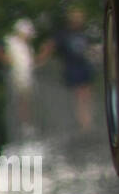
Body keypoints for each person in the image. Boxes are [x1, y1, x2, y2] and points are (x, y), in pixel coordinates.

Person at [38, 7, 98, 135]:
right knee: (79, 95)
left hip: (84, 67)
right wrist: (40, 60)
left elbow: (90, 48)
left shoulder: (83, 34)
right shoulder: (64, 34)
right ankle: (83, 123)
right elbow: (50, 46)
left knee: (87, 95)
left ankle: (88, 122)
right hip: (72, 68)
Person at [0, 18, 38, 138]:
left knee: (27, 101)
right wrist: (6, 60)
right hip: (16, 76)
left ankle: (28, 125)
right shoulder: (10, 41)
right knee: (20, 101)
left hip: (26, 76)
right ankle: (23, 126)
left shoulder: (26, 46)